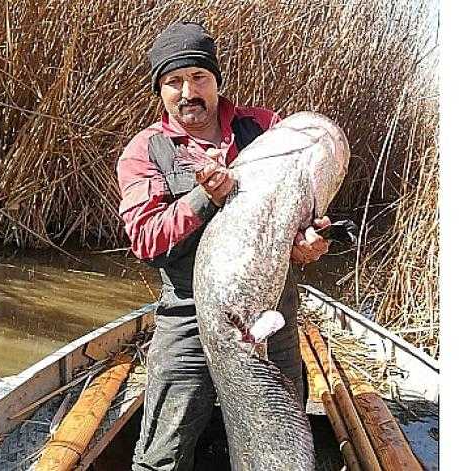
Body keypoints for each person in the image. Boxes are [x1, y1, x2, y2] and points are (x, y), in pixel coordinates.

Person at [116, 21, 331, 471]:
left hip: (271, 312)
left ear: (216, 80)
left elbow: (303, 211)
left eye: (198, 77)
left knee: (281, 447)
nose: (187, 91)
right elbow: (147, 240)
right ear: (160, 90)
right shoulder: (147, 150)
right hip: (188, 314)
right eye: (173, 81)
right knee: (162, 454)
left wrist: (307, 241)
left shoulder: (268, 131)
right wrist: (202, 197)